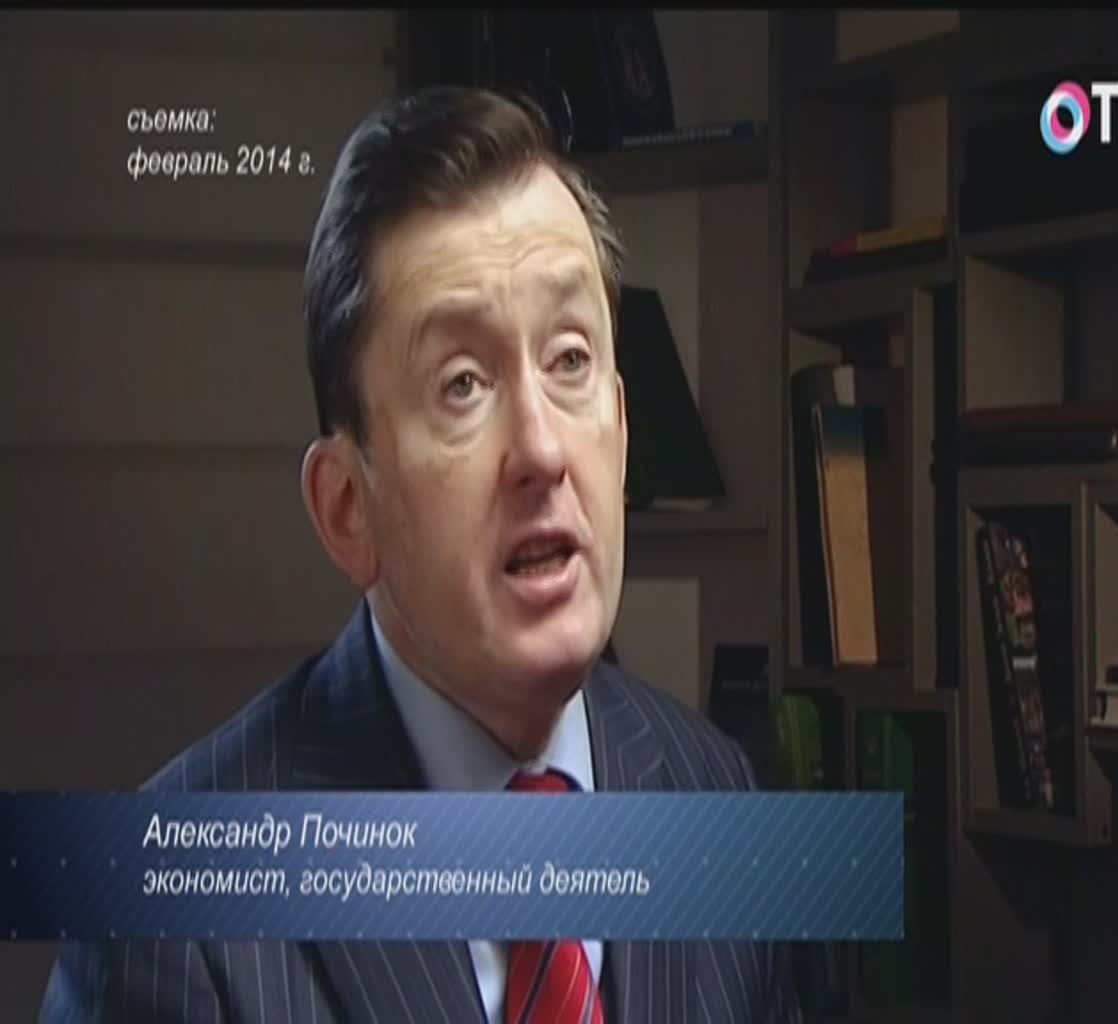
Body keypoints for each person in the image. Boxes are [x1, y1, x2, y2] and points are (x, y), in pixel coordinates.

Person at [39, 85, 802, 1023]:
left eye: (570, 359)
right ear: (347, 509)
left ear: (621, 423)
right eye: (463, 384)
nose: (543, 450)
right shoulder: (169, 925)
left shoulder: (715, 794)